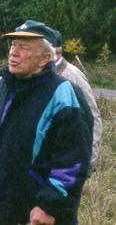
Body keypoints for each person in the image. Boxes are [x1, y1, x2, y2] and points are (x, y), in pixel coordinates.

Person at [0, 20, 91, 225]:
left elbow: (74, 158)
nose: (13, 53)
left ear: (44, 59)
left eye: (23, 47)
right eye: (13, 45)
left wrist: (50, 206)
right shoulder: (0, 88)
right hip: (7, 204)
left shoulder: (63, 94)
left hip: (44, 212)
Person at [48, 29, 102, 166]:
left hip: (68, 161)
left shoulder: (73, 76)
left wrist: (90, 158)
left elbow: (93, 116)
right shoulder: (37, 75)